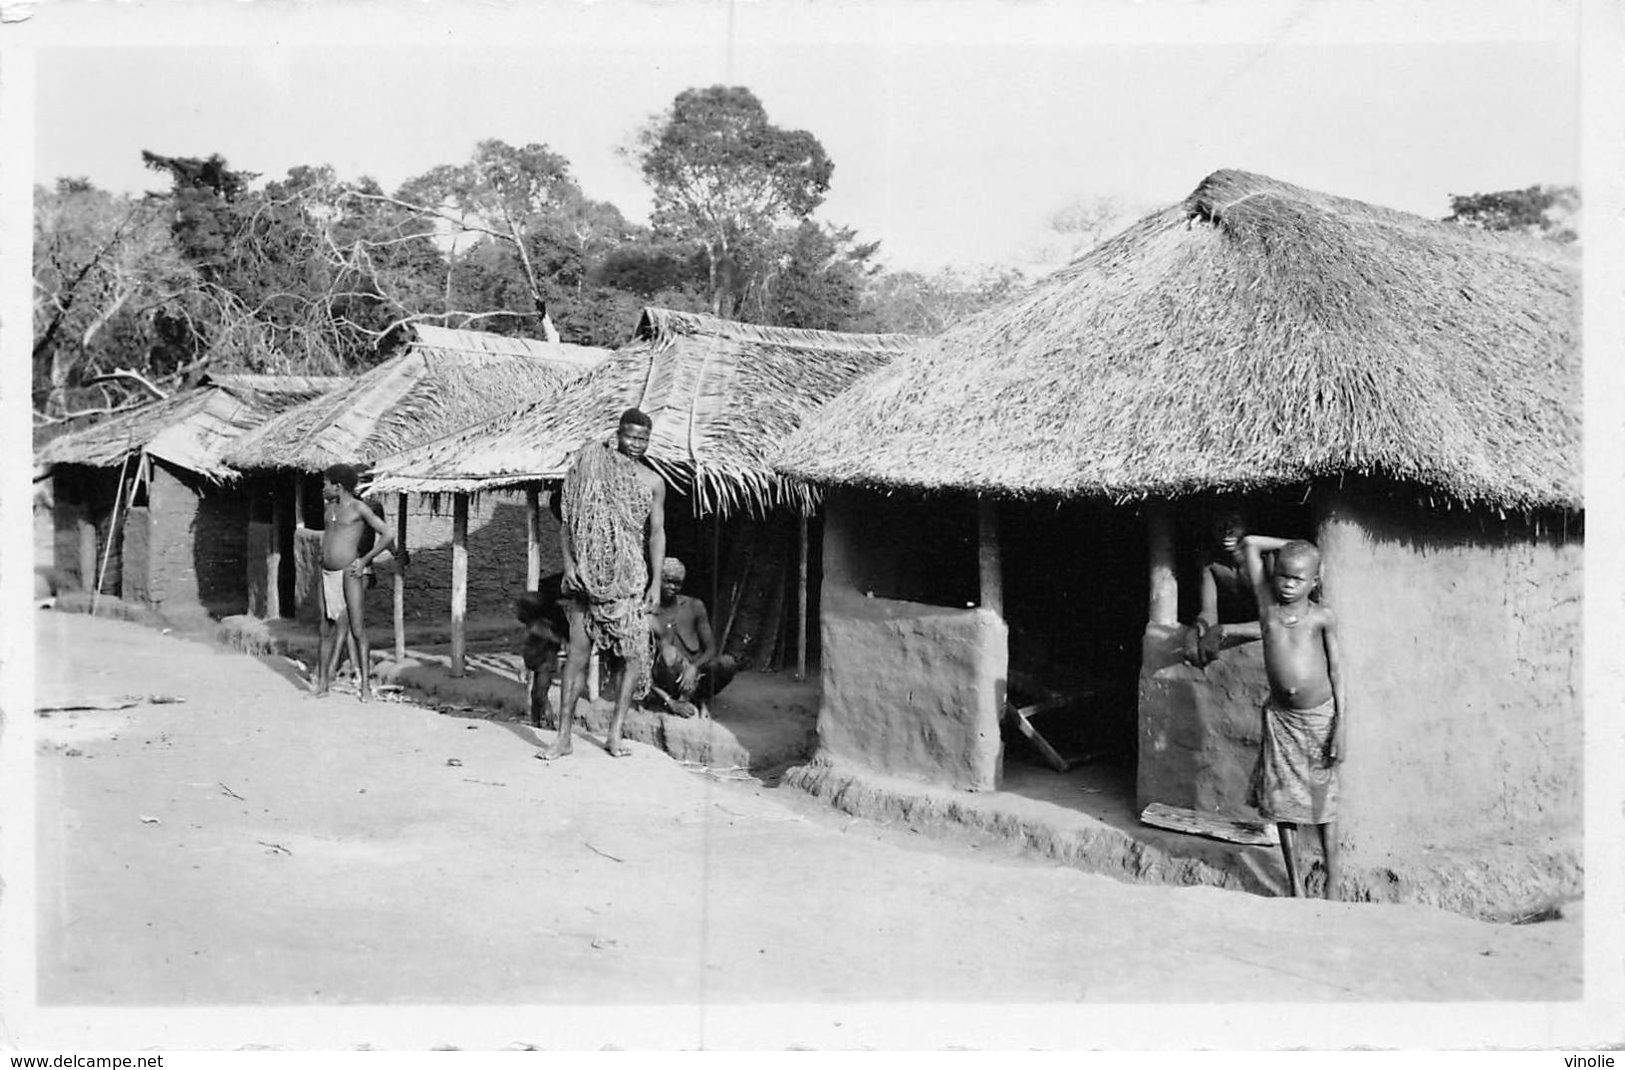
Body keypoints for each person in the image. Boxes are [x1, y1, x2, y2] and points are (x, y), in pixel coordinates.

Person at [540, 408, 666, 760]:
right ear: (619, 433)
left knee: (632, 658)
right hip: (587, 582)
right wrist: (568, 565)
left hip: (629, 581)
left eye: (643, 439)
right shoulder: (592, 468)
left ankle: (615, 733)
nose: (636, 444)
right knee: (577, 656)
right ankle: (563, 737)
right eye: (631, 437)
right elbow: (568, 520)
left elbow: (656, 534)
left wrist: (655, 582)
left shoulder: (653, 482)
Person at [1240, 534, 1347, 900]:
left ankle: (1333, 884)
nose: (1286, 584)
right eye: (1282, 575)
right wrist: (1296, 547)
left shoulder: (1321, 617)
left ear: (1314, 581)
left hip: (1319, 717)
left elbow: (1337, 671)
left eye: (1297, 578)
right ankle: (1297, 885)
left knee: (1323, 802)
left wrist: (1340, 727)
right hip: (1281, 720)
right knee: (1282, 801)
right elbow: (1251, 543)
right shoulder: (1267, 609)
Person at [315, 463, 395, 701]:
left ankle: (365, 688)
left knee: (358, 629)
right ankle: (322, 685)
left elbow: (388, 534)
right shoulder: (329, 510)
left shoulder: (359, 508)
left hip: (349, 574)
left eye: (326, 484)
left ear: (338, 487)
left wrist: (364, 561)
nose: (322, 489)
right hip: (326, 573)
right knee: (325, 628)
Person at [648, 556, 737, 719]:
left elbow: (711, 649)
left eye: (677, 583)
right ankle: (681, 701)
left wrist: (694, 668)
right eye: (667, 581)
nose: (672, 587)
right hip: (669, 680)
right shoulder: (648, 613)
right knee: (669, 653)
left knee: (727, 663)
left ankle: (699, 698)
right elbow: (641, 670)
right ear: (657, 580)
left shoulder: (694, 606)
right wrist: (669, 701)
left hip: (696, 675)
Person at [1187, 511, 1262, 667]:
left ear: (1248, 524)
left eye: (1235, 521)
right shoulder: (1211, 565)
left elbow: (1279, 620)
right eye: (1220, 523)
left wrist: (1224, 629)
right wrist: (1195, 632)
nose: (1227, 530)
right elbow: (1209, 611)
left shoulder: (1266, 560)